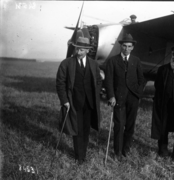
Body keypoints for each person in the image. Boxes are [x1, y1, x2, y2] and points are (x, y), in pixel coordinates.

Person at [56, 35, 102, 165]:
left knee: (86, 130)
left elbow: (98, 80)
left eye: (82, 50)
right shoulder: (66, 63)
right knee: (77, 129)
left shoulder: (93, 64)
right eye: (77, 49)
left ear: (88, 50)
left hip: (89, 103)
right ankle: (79, 156)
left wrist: (96, 93)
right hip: (74, 103)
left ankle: (83, 153)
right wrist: (64, 100)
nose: (78, 52)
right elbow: (60, 83)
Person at [105, 34, 144, 160]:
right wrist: (111, 96)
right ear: (120, 46)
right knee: (119, 124)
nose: (126, 49)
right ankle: (117, 151)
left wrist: (138, 93)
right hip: (118, 98)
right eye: (124, 46)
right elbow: (109, 80)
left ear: (132, 48)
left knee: (130, 125)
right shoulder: (112, 61)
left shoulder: (136, 60)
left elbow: (141, 79)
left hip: (133, 98)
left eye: (129, 46)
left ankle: (126, 149)